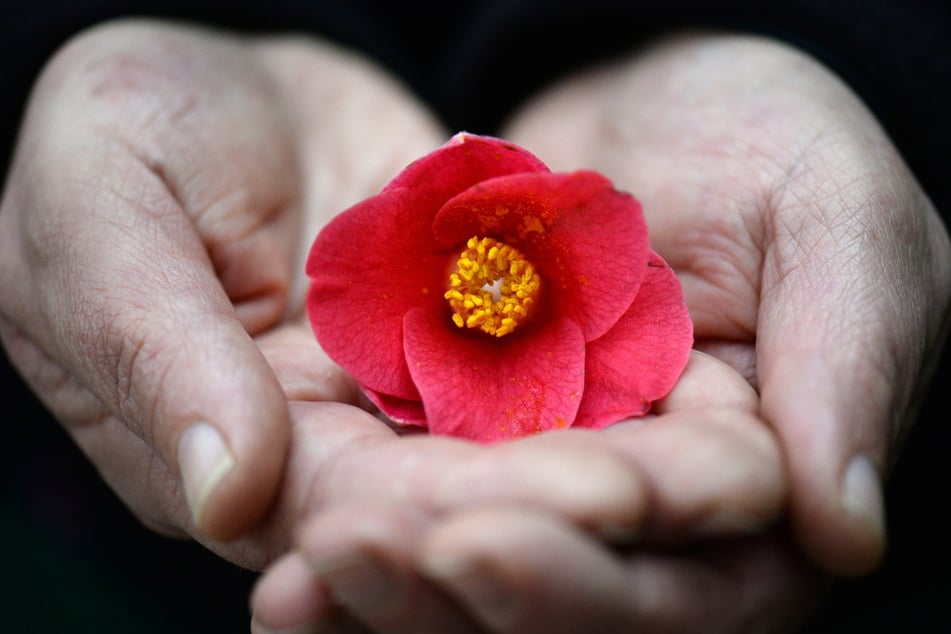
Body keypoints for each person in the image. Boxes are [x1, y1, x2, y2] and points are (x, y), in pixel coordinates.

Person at [1, 2, 948, 632]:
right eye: (483, 284)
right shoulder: (390, 265)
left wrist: (845, 41)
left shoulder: (574, 240)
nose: (491, 291)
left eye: (499, 282)